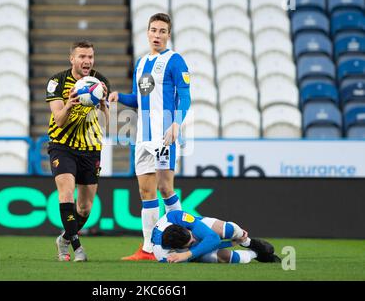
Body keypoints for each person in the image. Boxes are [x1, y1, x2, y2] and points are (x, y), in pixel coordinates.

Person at [108, 13, 191, 260]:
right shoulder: (141, 63)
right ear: (147, 32)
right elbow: (137, 99)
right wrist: (118, 97)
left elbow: (185, 96)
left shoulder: (175, 61)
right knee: (146, 192)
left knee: (165, 187)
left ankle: (184, 238)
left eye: (162, 31)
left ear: (168, 34)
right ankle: (148, 248)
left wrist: (176, 124)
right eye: (153, 30)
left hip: (164, 135)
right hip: (142, 138)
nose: (157, 35)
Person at [46, 40, 110, 262]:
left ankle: (64, 238)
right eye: (82, 57)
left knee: (84, 208)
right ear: (72, 59)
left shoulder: (100, 83)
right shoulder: (57, 82)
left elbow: (105, 126)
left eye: (90, 57)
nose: (87, 61)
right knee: (66, 193)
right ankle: (76, 247)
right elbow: (59, 121)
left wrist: (102, 105)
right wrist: (70, 104)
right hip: (62, 146)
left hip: (91, 149)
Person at [152, 210, 281, 264]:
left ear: (184, 227)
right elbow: (208, 245)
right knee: (225, 257)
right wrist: (230, 244)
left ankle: (247, 241)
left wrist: (187, 254)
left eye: (191, 236)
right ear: (177, 248)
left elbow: (212, 238)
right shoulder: (164, 256)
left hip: (193, 236)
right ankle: (256, 254)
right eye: (191, 243)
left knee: (230, 229)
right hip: (185, 251)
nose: (195, 240)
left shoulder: (175, 216)